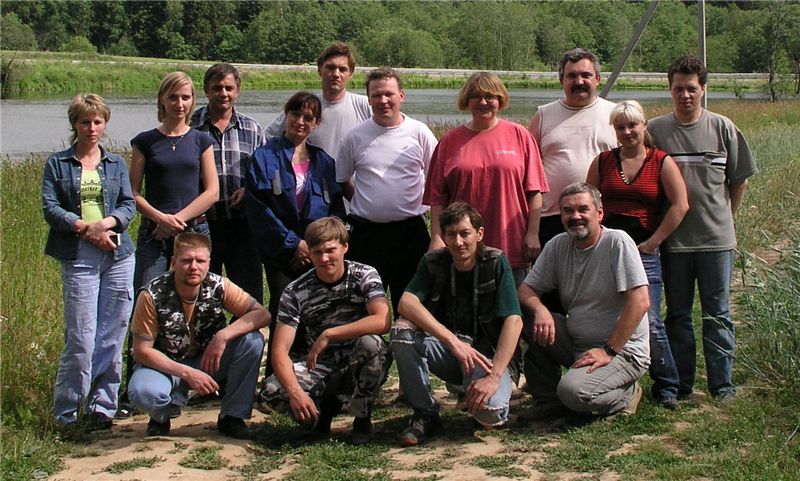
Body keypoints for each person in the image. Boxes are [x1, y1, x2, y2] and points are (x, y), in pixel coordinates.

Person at [647, 56, 758, 401]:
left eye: (692, 89)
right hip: (674, 243)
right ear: (670, 89)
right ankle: (682, 384)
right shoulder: (655, 131)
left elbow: (739, 180)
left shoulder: (723, 128)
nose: (685, 95)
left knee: (718, 314)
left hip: (716, 241)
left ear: (703, 89)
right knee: (678, 315)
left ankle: (721, 385)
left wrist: (727, 218)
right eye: (678, 88)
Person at [391, 202, 523, 446]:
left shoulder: (495, 262)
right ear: (443, 237)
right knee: (401, 333)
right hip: (450, 350)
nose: (458, 242)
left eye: (465, 233)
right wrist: (452, 341)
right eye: (451, 235)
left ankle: (476, 390)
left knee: (491, 412)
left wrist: (493, 377)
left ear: (479, 234)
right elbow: (406, 303)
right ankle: (425, 413)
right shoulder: (433, 262)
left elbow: (514, 321)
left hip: (486, 357)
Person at [586, 100, 689, 409]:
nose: (627, 132)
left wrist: (654, 241)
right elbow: (589, 203)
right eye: (620, 127)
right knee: (606, 317)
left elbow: (680, 204)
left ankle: (667, 384)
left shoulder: (661, 161)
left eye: (632, 125)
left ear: (644, 126)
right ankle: (613, 375)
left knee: (650, 319)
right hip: (607, 251)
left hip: (643, 251)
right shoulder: (603, 161)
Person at [42, 94, 136, 430]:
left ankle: (102, 407)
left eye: (97, 122)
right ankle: (67, 413)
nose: (92, 128)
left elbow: (128, 205)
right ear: (75, 124)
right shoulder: (58, 164)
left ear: (105, 123)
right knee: (81, 338)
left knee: (112, 334)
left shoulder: (116, 163)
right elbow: (50, 207)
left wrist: (106, 224)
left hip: (118, 255)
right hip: (78, 254)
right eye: (85, 122)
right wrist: (85, 228)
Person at [518, 183, 650, 417]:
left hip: (622, 350)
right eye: (568, 211)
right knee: (525, 318)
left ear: (599, 213)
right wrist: (540, 309)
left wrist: (608, 351)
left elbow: (640, 302)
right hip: (577, 343)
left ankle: (626, 394)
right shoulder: (558, 245)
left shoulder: (617, 242)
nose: (575, 216)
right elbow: (526, 289)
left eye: (583, 209)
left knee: (573, 393)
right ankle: (548, 400)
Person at [258, 217, 392, 446]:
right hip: (320, 363)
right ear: (309, 254)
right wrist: (295, 392)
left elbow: (383, 320)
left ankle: (362, 416)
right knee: (272, 391)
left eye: (330, 250)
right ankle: (319, 415)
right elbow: (279, 351)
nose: (324, 258)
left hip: (358, 358)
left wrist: (330, 334)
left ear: (345, 247)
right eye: (317, 252)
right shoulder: (295, 290)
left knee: (373, 345)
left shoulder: (364, 274)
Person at [127, 233, 269, 439]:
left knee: (252, 341)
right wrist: (187, 373)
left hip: (209, 360)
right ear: (174, 262)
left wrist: (223, 336)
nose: (194, 267)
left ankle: (232, 417)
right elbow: (141, 352)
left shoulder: (218, 285)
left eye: (200, 261)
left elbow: (262, 314)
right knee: (143, 392)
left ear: (209, 263)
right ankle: (162, 415)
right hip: (166, 365)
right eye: (186, 260)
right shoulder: (151, 294)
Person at [246, 91, 346, 375]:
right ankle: (276, 378)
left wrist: (316, 247)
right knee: (284, 310)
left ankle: (316, 374)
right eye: (295, 114)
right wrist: (294, 244)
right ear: (286, 116)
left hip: (317, 254)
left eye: (308, 117)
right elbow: (258, 208)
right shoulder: (264, 157)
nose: (300, 121)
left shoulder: (324, 162)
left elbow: (335, 210)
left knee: (318, 311)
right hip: (281, 253)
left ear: (316, 123)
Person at [425, 72, 548, 285]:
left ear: (500, 99)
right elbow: (437, 198)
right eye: (476, 96)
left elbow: (535, 191)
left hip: (511, 242)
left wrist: (533, 233)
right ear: (466, 100)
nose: (483, 102)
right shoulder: (449, 141)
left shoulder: (520, 136)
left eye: (490, 96)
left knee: (513, 303)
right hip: (462, 245)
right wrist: (437, 237)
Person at [336, 67, 438, 316]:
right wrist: (368, 204)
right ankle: (368, 342)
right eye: (376, 95)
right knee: (364, 306)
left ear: (401, 96)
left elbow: (437, 180)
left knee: (413, 306)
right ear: (368, 99)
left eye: (389, 94)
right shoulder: (354, 136)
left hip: (410, 233)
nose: (383, 100)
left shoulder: (419, 132)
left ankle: (408, 340)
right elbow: (343, 179)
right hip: (366, 235)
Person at [129, 71, 219, 290]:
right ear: (162, 99)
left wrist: (175, 221)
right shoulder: (144, 141)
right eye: (173, 97)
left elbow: (212, 192)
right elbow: (132, 192)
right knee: (147, 294)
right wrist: (161, 219)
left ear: (192, 100)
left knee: (196, 296)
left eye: (185, 97)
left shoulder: (202, 140)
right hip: (154, 232)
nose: (179, 104)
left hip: (194, 230)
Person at [191, 63, 266, 304]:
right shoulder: (190, 126)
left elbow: (262, 174)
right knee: (201, 297)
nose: (223, 93)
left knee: (248, 298)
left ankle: (246, 331)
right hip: (202, 225)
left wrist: (249, 189)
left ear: (237, 91)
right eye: (217, 88)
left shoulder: (252, 129)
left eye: (229, 88)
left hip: (242, 227)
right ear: (206, 90)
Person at [528, 48, 617, 246]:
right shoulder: (543, 115)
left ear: (598, 79)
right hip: (551, 216)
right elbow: (529, 169)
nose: (579, 81)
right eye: (572, 76)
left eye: (586, 75)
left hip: (600, 215)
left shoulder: (614, 114)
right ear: (561, 80)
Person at [265, 42, 371, 159]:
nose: (336, 74)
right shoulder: (305, 106)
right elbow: (267, 138)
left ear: (350, 74)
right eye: (330, 67)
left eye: (342, 69)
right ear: (320, 70)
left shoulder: (366, 106)